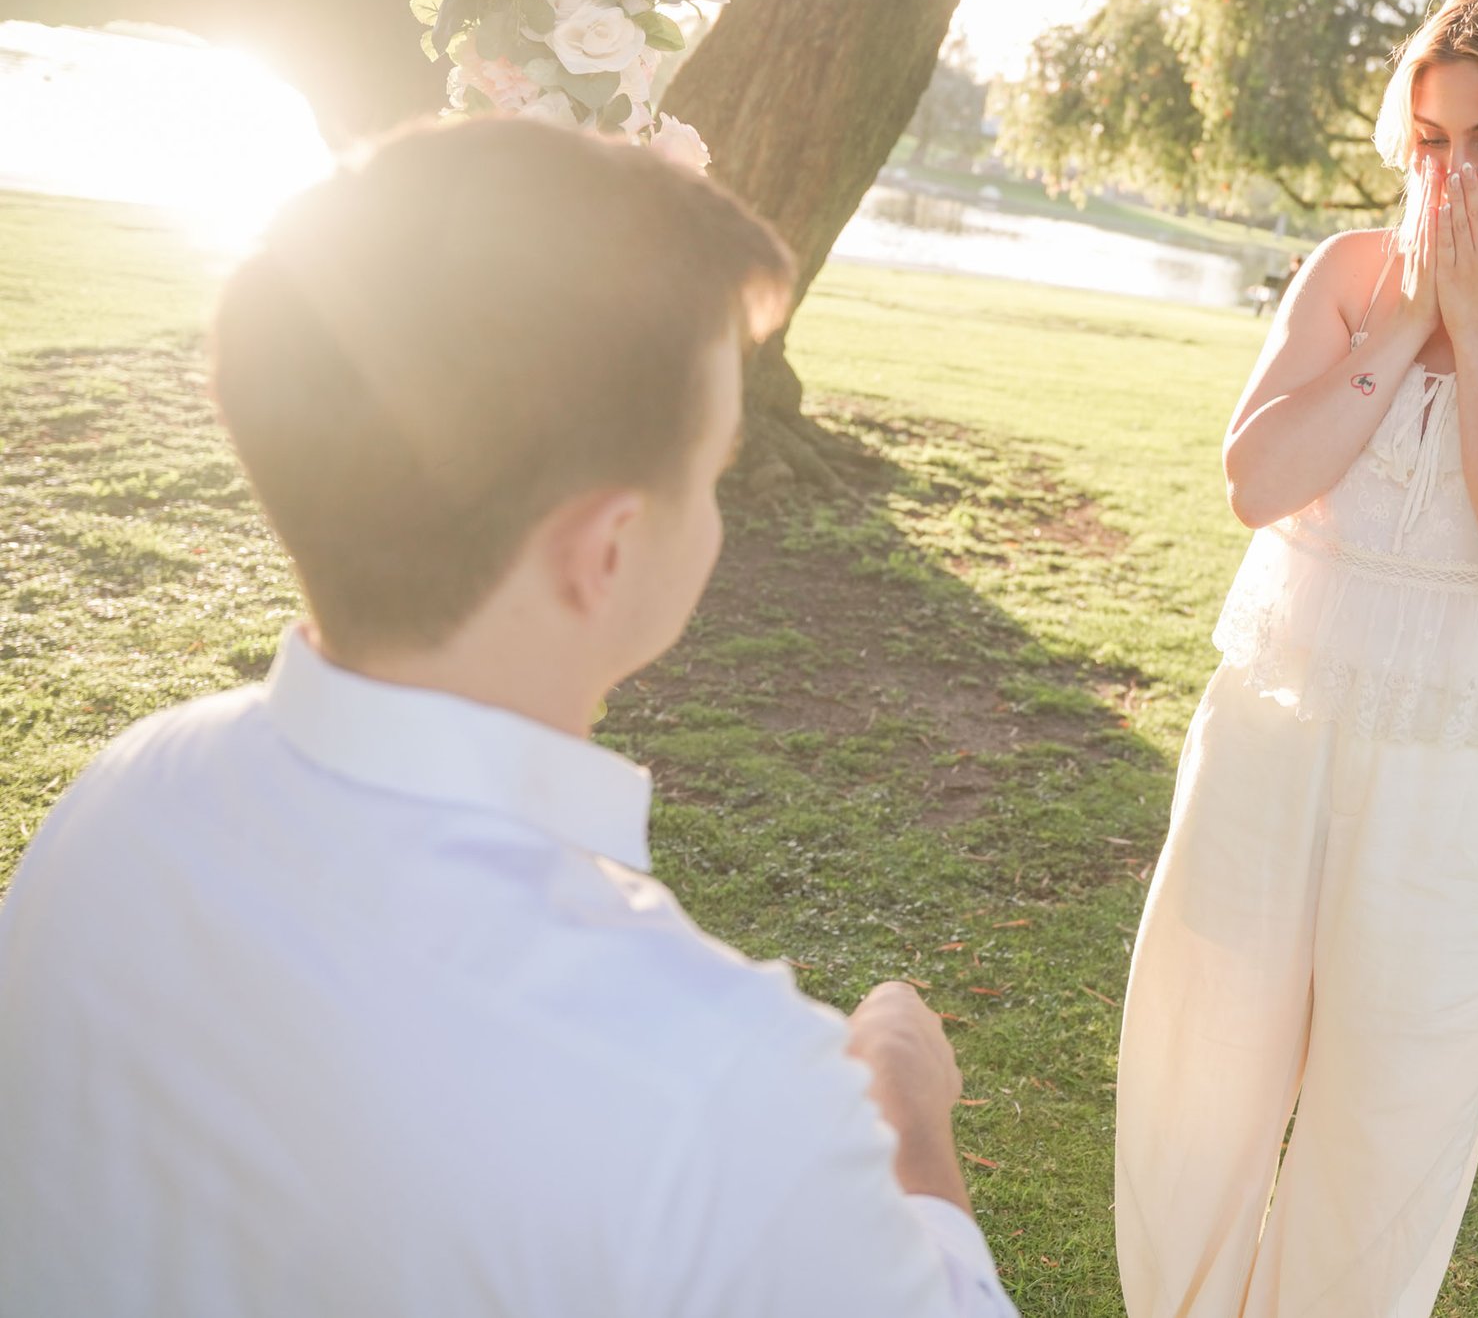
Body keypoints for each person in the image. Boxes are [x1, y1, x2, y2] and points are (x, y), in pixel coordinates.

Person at [0, 121, 1014, 1318]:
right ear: (610, 548)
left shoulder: (124, 793)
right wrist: (911, 1143)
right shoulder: (715, 1084)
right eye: (713, 470)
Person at [1114, 0, 1478, 1316]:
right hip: (1271, 740)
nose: (1457, 174)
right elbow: (1258, 479)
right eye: (1433, 140)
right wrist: (1411, 318)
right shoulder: (1351, 274)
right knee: (1191, 1097)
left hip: (1460, 792)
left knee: (1385, 1149)